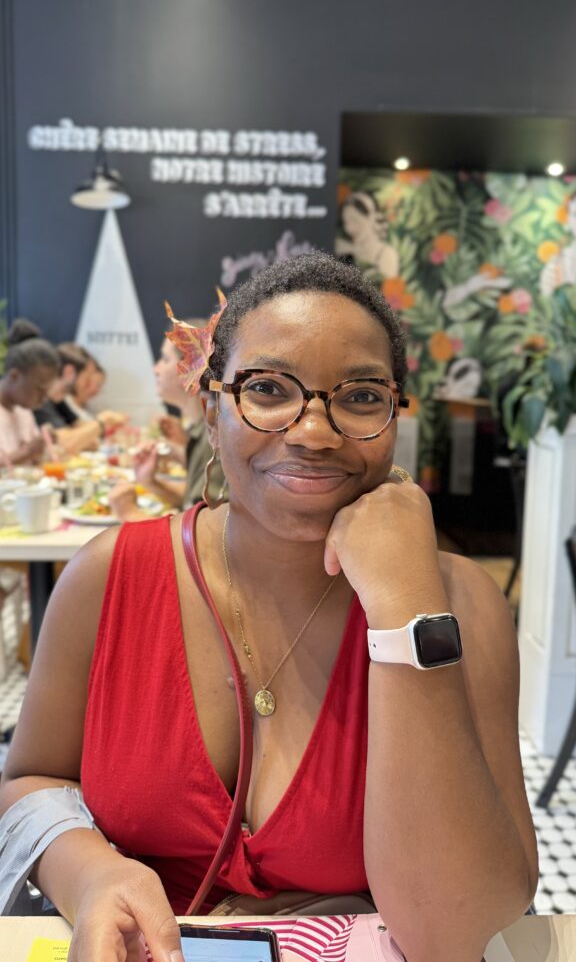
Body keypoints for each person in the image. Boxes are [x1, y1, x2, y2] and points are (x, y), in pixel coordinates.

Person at [0, 253, 537, 962]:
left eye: (361, 396)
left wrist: (407, 610)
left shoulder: (460, 602)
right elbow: (30, 780)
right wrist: (93, 874)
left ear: (396, 415)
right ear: (211, 405)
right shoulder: (107, 577)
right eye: (269, 389)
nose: (314, 432)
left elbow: (455, 933)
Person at [109, 320, 225, 521]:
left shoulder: (215, 437)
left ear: (191, 369)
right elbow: (194, 507)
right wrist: (151, 482)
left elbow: (202, 538)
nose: (156, 369)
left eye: (164, 359)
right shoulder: (206, 428)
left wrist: (128, 513)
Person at [34, 343, 123, 457]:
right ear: (69, 372)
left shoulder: (60, 401)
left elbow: (87, 438)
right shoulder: (39, 401)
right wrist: (103, 420)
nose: (90, 385)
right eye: (87, 378)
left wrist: (80, 437)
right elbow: (67, 443)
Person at [0, 320, 59, 467]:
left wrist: (43, 450)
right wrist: (27, 452)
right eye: (39, 389)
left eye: (47, 391)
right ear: (14, 376)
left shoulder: (23, 411)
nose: (44, 398)